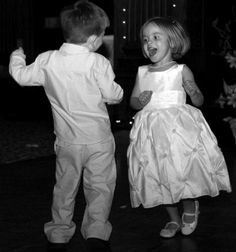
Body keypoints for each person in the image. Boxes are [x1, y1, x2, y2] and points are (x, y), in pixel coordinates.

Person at [9, 1, 123, 251]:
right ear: (93, 39)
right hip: (98, 140)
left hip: (67, 141)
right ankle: (96, 232)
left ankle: (59, 233)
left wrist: (17, 56)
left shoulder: (48, 60)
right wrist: (116, 90)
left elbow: (21, 77)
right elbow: (113, 95)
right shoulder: (98, 63)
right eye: (102, 34)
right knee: (100, 186)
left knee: (65, 186)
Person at [127, 16, 231, 239]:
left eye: (156, 37)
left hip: (177, 131)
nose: (149, 42)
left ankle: (190, 207)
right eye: (145, 39)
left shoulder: (181, 70)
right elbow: (133, 102)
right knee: (160, 175)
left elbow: (199, 101)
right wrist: (139, 101)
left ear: (172, 42)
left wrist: (194, 91)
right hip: (151, 132)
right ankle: (173, 218)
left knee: (179, 171)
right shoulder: (142, 72)